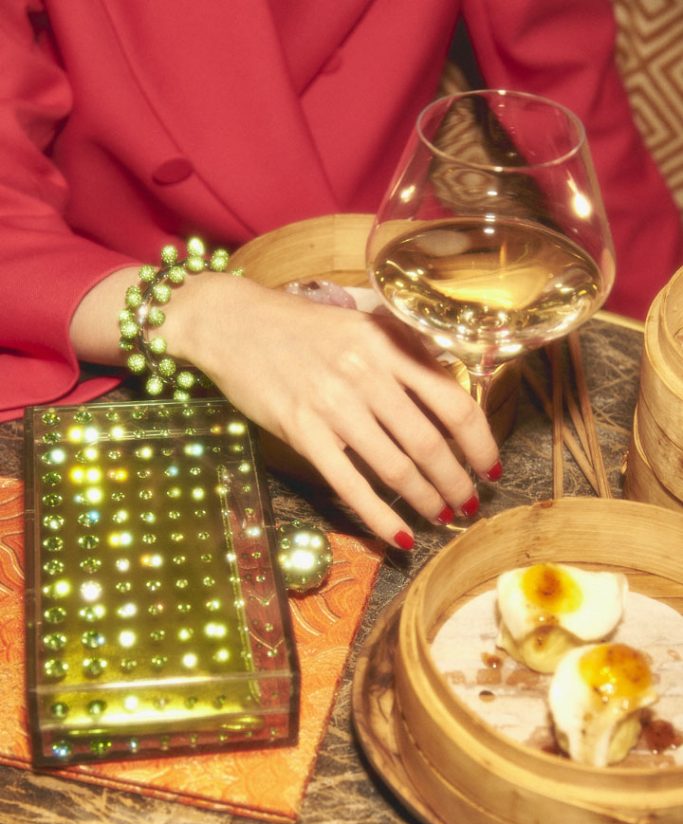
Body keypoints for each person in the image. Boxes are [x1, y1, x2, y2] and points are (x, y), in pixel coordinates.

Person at [1, 1, 681, 549]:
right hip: (118, 322)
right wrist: (195, 311)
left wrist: (669, 346)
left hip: (379, 284)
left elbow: (574, 103)